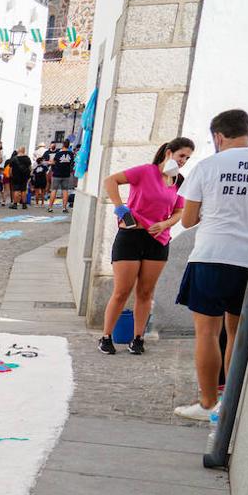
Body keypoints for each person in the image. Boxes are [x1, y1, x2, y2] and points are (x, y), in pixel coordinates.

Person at [173, 109, 248, 420]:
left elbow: (188, 220)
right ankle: (231, 404)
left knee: (206, 333)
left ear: (218, 136)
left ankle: (207, 404)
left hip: (212, 256)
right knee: (235, 332)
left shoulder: (207, 166)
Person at [97, 136, 194, 356]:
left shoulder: (179, 181)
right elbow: (110, 181)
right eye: (181, 156)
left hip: (158, 241)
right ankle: (106, 336)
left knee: (146, 292)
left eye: (187, 158)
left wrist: (165, 224)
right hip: (130, 237)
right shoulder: (145, 171)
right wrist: (121, 208)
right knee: (122, 291)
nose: (183, 161)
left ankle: (138, 338)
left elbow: (179, 211)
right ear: (169, 152)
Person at [46, 141, 76, 212]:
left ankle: (50, 207)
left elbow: (53, 162)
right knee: (65, 191)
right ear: (68, 146)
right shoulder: (71, 154)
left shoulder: (58, 153)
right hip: (66, 174)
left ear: (63, 145)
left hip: (57, 174)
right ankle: (64, 208)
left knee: (54, 190)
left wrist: (50, 162)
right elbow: (72, 163)